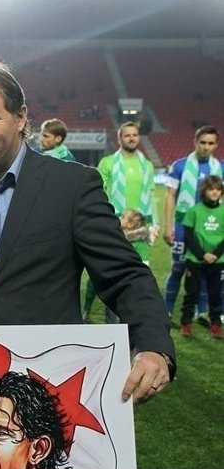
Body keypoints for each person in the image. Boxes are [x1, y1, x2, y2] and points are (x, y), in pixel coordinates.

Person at [0, 62, 175, 405]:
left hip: (53, 383)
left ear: (20, 117)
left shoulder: (72, 186)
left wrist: (153, 346)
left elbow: (124, 275)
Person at [85, 122, 158, 322]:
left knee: (137, 273)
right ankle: (91, 311)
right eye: (127, 135)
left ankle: (131, 320)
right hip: (114, 225)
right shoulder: (108, 163)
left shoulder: (148, 165)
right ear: (119, 138)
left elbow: (151, 196)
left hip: (140, 228)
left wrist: (155, 224)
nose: (132, 138)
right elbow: (97, 194)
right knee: (104, 272)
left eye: (135, 134)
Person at [162, 125, 221, 320]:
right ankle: (166, 309)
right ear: (195, 142)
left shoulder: (220, 167)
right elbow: (170, 196)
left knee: (207, 268)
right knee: (178, 268)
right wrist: (168, 226)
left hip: (208, 228)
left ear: (216, 145)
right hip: (182, 226)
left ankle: (202, 312)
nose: (206, 147)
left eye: (211, 143)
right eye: (202, 142)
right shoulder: (179, 166)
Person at [179, 175, 224, 338]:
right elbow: (188, 237)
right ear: (204, 191)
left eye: (218, 189)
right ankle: (186, 324)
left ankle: (216, 325)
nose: (214, 192)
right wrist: (203, 254)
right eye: (211, 189)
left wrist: (215, 255)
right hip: (195, 260)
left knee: (216, 294)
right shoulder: (194, 211)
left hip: (218, 261)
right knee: (191, 294)